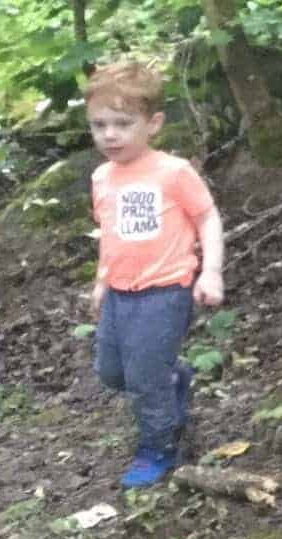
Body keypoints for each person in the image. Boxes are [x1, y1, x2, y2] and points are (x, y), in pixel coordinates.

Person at [86, 61, 225, 488]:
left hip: (165, 291)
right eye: (99, 125)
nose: (110, 135)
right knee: (112, 371)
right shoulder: (102, 177)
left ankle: (160, 449)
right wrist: (102, 280)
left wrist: (211, 272)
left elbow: (207, 218)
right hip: (120, 293)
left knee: (145, 379)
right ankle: (174, 376)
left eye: (123, 124)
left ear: (153, 123)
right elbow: (110, 234)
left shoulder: (172, 171)